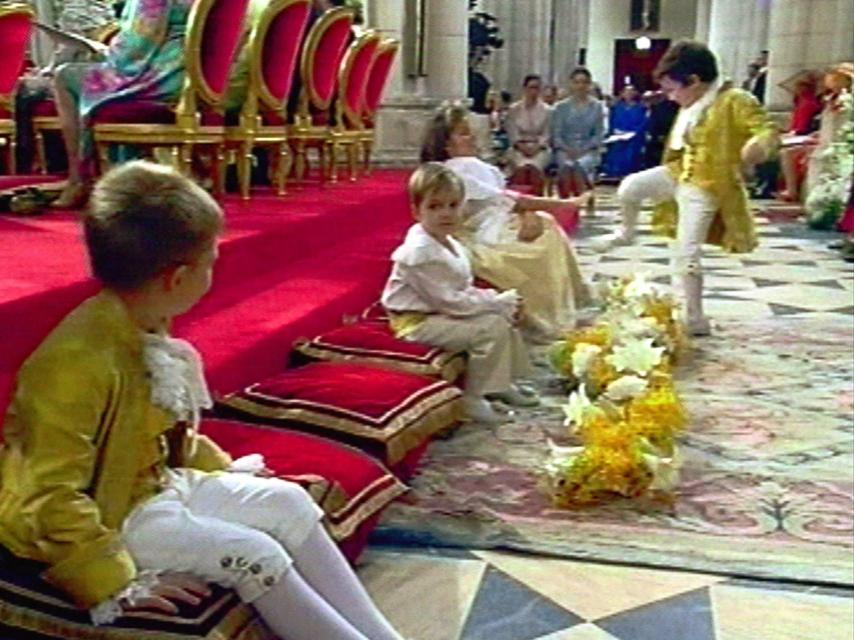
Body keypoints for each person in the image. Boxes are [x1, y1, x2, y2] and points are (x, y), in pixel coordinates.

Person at [0, 161, 404, 640]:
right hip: (109, 514)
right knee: (255, 555)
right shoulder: (73, 361)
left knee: (290, 503)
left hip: (156, 487)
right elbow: (44, 497)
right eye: (213, 259)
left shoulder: (143, 322)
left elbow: (159, 434)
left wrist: (217, 466)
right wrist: (112, 580)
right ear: (177, 277)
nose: (217, 268)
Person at [594, 40, 778, 337]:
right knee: (629, 187)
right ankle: (625, 232)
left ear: (693, 81)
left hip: (707, 183)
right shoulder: (692, 103)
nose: (670, 96)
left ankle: (695, 318)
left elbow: (767, 129)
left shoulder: (735, 99)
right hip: (679, 171)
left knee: (686, 253)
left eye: (672, 89)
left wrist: (757, 147)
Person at [420, 104, 592, 342]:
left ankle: (569, 302)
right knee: (538, 242)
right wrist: (563, 204)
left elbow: (504, 200)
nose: (471, 137)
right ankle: (547, 314)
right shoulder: (455, 169)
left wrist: (529, 214)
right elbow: (509, 199)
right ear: (446, 144)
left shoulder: (470, 165)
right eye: (462, 133)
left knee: (545, 225)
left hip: (493, 223)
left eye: (469, 131)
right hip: (472, 234)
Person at [382, 163, 536, 424]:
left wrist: (496, 302)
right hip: (416, 321)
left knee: (502, 319)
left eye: (453, 205)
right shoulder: (420, 253)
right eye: (434, 206)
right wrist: (496, 302)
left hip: (440, 311)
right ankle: (472, 399)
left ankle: (500, 383)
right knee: (489, 328)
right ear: (416, 211)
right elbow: (450, 303)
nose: (446, 213)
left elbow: (461, 289)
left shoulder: (448, 240)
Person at [51, 0, 196, 208]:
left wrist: (104, 49)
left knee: (64, 76)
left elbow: (136, 45)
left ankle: (79, 179)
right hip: (189, 76)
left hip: (160, 76)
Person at [551, 67, 605, 199]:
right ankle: (564, 202)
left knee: (579, 166)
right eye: (577, 82)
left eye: (584, 82)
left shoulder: (597, 107)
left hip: (588, 151)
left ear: (589, 84)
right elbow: (556, 134)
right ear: (571, 84)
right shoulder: (560, 107)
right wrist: (567, 149)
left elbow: (598, 134)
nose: (580, 86)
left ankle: (579, 200)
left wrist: (584, 150)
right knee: (566, 165)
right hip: (565, 149)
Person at [776, 72, 823, 202]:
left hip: (805, 136)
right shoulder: (802, 102)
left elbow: (801, 128)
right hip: (802, 135)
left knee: (784, 151)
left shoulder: (808, 103)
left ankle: (790, 190)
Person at [505, 74, 552, 194]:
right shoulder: (514, 109)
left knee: (534, 168)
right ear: (524, 89)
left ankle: (537, 200)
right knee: (521, 168)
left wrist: (537, 146)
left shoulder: (548, 111)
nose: (534, 91)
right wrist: (521, 146)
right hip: (518, 148)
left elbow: (547, 133)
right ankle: (520, 200)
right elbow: (512, 132)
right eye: (531, 87)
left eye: (537, 88)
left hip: (540, 148)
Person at [602, 84, 648, 178]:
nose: (629, 93)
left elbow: (643, 124)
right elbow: (612, 122)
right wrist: (616, 132)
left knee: (631, 152)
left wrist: (633, 133)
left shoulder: (640, 108)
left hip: (633, 139)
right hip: (618, 137)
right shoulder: (617, 108)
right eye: (626, 91)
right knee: (615, 150)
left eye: (631, 91)